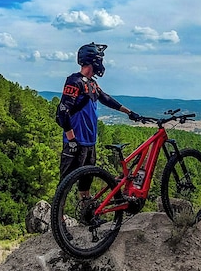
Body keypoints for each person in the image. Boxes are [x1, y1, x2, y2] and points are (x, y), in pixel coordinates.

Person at [55, 43, 138, 191]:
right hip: (76, 142)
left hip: (90, 142)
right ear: (93, 60)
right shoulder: (75, 81)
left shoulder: (92, 84)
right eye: (100, 60)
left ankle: (85, 210)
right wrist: (71, 139)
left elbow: (106, 98)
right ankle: (57, 214)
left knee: (86, 183)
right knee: (65, 184)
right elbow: (63, 111)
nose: (101, 64)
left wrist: (129, 112)